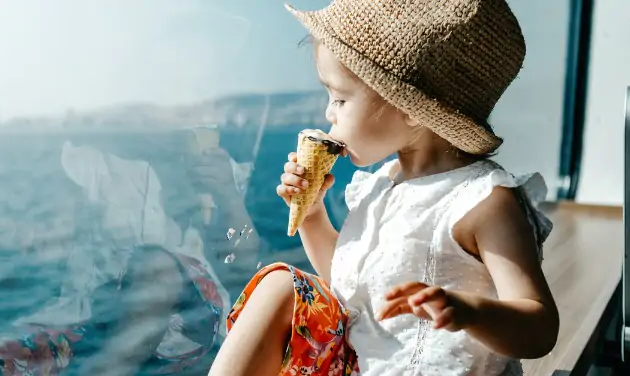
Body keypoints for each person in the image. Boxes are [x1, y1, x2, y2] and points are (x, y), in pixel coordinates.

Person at [210, 1, 558, 375]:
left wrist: (468, 312)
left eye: (341, 99)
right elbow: (355, 290)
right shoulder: (380, 186)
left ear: (410, 108)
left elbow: (539, 328)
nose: (329, 113)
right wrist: (312, 216)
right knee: (282, 286)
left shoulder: (482, 201)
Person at [0, 136, 260, 376]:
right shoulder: (90, 163)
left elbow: (242, 261)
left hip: (191, 318)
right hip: (97, 315)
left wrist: (228, 195)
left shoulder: (209, 163)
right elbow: (55, 238)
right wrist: (12, 232)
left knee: (155, 265)